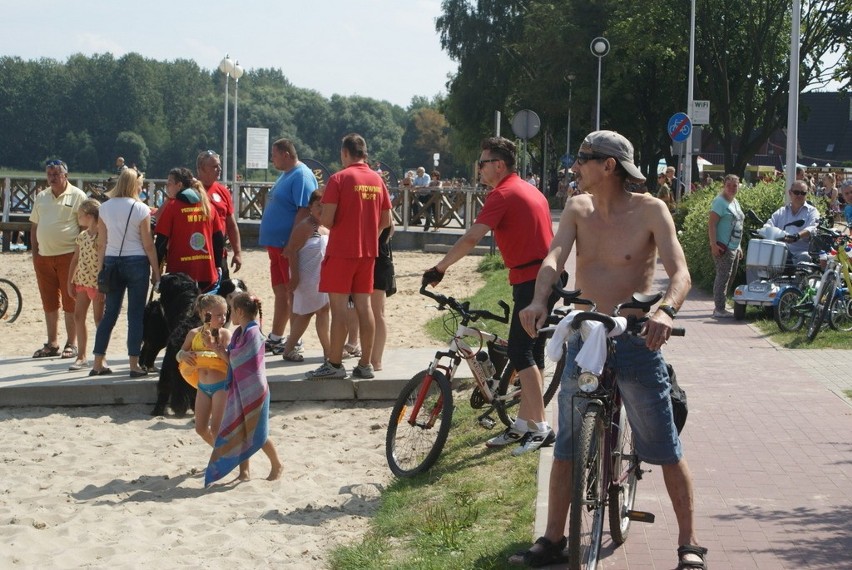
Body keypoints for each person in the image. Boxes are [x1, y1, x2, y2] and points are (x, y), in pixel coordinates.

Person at [515, 130, 705, 570]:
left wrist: (666, 312)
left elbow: (680, 273)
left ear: (609, 166)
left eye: (584, 158)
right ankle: (553, 539)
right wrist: (540, 299)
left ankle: (689, 542)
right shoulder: (578, 209)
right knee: (566, 445)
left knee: (663, 443)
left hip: (635, 339)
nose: (576, 165)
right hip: (585, 337)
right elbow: (553, 260)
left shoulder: (651, 211)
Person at [422, 136, 557, 456]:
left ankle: (540, 429)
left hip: (531, 279)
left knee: (522, 352)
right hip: (543, 276)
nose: (478, 169)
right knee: (531, 351)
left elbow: (471, 238)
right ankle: (524, 423)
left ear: (499, 165)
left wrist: (440, 267)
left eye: (482, 163)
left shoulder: (503, 193)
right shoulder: (529, 189)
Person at [306, 133, 392, 380]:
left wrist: (324, 216)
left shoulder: (339, 178)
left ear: (345, 153)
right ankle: (365, 364)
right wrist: (368, 236)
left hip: (342, 252)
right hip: (368, 253)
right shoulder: (377, 179)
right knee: (365, 308)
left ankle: (334, 364)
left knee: (339, 310)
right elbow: (386, 220)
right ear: (363, 153)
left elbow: (328, 219)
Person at [204, 293, 283, 485]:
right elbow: (231, 357)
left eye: (232, 310)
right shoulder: (240, 332)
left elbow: (240, 359)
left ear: (239, 311)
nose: (230, 315)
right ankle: (244, 472)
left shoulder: (253, 332)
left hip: (255, 390)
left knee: (258, 432)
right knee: (241, 429)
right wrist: (214, 347)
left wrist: (222, 351)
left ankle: (277, 464)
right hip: (241, 388)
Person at [91, 168, 161, 377]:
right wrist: (156, 271)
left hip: (112, 261)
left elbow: (101, 243)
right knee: (135, 315)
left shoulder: (104, 208)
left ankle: (97, 363)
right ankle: (133, 364)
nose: (141, 187)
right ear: (134, 185)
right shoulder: (141, 209)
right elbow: (148, 244)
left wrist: (100, 269)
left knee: (109, 314)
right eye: (140, 184)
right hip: (137, 261)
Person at [258, 139, 318, 352]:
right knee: (281, 291)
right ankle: (277, 336)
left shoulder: (301, 175)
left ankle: (295, 339)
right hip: (276, 246)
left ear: (285, 154)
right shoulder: (285, 174)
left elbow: (304, 210)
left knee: (292, 292)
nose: (272, 159)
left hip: (287, 246)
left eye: (274, 155)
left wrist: (292, 243)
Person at [29, 160, 88, 359]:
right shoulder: (41, 196)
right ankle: (52, 342)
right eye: (49, 174)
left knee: (70, 300)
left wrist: (80, 255)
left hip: (69, 256)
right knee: (49, 302)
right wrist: (35, 253)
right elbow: (34, 226)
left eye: (56, 174)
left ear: (66, 175)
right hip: (44, 257)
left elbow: (84, 228)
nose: (52, 178)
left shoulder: (78, 195)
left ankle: (71, 343)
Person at [279, 189, 330, 362]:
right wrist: (295, 278)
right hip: (306, 276)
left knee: (321, 311)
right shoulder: (306, 226)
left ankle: (327, 350)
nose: (321, 209)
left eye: (325, 205)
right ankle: (290, 348)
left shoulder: (325, 227)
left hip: (321, 276)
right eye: (318, 205)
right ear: (310, 207)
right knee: (309, 312)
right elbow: (291, 251)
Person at [155, 167, 223, 291]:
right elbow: (218, 238)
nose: (166, 186)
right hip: (206, 271)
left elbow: (161, 241)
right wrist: (218, 265)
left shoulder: (172, 206)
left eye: (169, 183)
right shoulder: (207, 206)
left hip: (180, 273)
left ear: (179, 185)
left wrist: (156, 271)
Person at [177, 294, 232, 447]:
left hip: (221, 386)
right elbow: (179, 354)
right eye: (218, 315)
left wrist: (215, 348)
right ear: (204, 314)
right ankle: (220, 451)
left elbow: (231, 362)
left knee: (217, 429)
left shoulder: (224, 334)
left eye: (225, 314)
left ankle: (220, 458)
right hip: (202, 387)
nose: (223, 319)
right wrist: (184, 355)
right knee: (200, 429)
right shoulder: (193, 334)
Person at [66, 199, 106, 371]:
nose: (78, 218)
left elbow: (105, 262)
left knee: (99, 320)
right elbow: (75, 260)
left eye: (80, 215)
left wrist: (103, 286)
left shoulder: (103, 236)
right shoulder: (82, 237)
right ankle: (81, 356)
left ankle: (101, 356)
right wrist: (70, 281)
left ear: (89, 216)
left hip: (97, 284)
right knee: (78, 317)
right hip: (82, 281)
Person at [196, 150, 243, 278]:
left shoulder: (223, 191)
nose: (219, 169)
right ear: (201, 168)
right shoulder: (190, 190)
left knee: (220, 295)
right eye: (215, 166)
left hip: (219, 254)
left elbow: (231, 225)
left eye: (219, 165)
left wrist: (237, 252)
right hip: (196, 254)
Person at [708, 174, 744, 319]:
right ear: (723, 185)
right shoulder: (719, 202)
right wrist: (713, 244)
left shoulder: (735, 202)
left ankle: (722, 303)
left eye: (734, 185)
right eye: (728, 185)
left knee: (730, 275)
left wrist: (739, 245)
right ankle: (719, 308)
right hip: (723, 246)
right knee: (723, 276)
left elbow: (738, 224)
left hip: (734, 246)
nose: (731, 188)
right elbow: (712, 224)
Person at [762, 180, 819, 264]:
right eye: (796, 192)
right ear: (790, 193)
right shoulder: (781, 212)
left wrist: (797, 236)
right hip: (780, 251)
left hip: (800, 252)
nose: (799, 195)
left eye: (803, 193)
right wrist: (763, 230)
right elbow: (769, 224)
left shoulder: (812, 211)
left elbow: (813, 227)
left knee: (805, 257)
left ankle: (800, 278)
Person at [371, 225, 395, 371]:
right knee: (376, 313)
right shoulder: (384, 207)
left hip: (376, 261)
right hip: (381, 258)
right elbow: (392, 229)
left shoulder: (376, 203)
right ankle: (374, 359)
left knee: (377, 313)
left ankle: (376, 360)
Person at [413, 166, 433, 231]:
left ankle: (427, 225)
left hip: (427, 194)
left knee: (428, 210)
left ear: (422, 172)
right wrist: (418, 187)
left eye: (418, 172)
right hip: (420, 195)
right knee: (414, 205)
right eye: (417, 171)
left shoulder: (427, 176)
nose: (417, 173)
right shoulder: (416, 177)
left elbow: (425, 185)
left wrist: (417, 187)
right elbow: (413, 185)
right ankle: (417, 220)